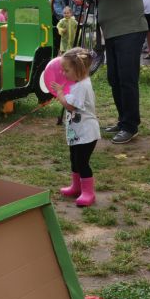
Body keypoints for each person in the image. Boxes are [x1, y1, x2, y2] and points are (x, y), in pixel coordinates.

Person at [73, 0, 147, 145]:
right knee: (114, 78)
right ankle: (123, 121)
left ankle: (130, 126)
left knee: (127, 79)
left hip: (131, 30)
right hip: (112, 34)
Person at [48, 48, 100, 207]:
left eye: (66, 70)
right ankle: (77, 187)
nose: (63, 73)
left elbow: (70, 106)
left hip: (86, 133)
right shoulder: (78, 83)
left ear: (79, 69)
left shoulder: (81, 87)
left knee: (82, 162)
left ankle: (88, 192)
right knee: (74, 159)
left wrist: (60, 94)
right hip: (77, 132)